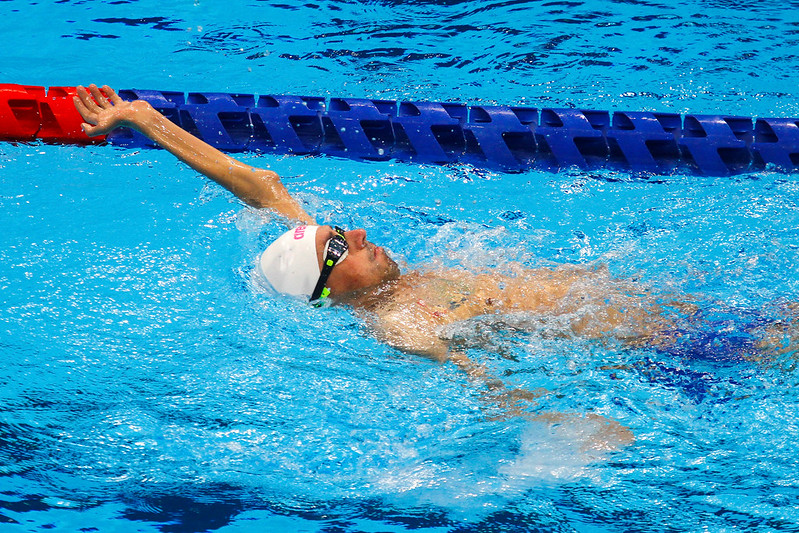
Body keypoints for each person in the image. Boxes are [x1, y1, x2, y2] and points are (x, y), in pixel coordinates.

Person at [72, 84, 798, 450]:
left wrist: (141, 118)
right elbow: (480, 384)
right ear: (325, 293)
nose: (357, 234)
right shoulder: (398, 323)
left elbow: (260, 187)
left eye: (339, 231)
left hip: (677, 311)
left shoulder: (375, 274)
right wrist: (557, 425)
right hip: (679, 352)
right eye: (338, 247)